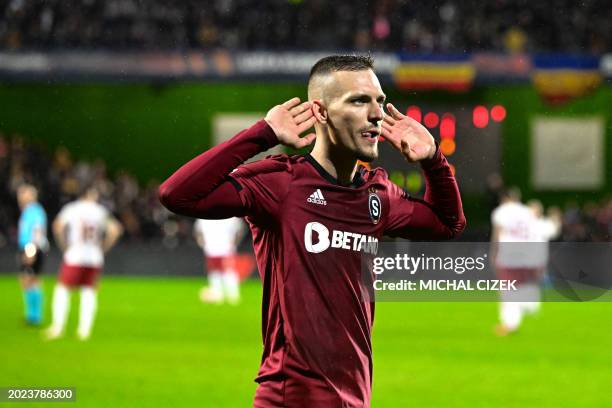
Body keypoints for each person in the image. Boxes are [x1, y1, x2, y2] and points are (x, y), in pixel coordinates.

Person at [159, 55, 465, 407]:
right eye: (358, 100)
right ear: (320, 112)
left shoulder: (378, 194)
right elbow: (177, 195)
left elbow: (448, 223)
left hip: (356, 398)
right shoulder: (282, 184)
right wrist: (261, 135)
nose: (377, 114)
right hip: (292, 398)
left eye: (379, 101)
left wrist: (433, 160)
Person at [44, 186, 123, 341]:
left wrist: (64, 246)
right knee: (88, 292)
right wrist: (103, 248)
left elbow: (57, 226)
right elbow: (115, 229)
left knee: (62, 290)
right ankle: (84, 331)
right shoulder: (100, 210)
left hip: (75, 254)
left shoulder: (72, 209)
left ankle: (58, 327)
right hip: (94, 257)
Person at [491, 190, 558, 336]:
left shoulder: (503, 212)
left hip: (510, 256)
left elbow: (498, 233)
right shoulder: (528, 213)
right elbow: (549, 229)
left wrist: (494, 253)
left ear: (504, 199)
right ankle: (528, 307)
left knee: (509, 291)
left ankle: (510, 323)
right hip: (529, 259)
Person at [16, 184, 48, 325]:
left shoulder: (34, 211)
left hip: (32, 248)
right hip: (32, 247)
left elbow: (36, 232)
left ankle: (34, 315)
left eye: (24, 194)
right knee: (31, 279)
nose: (20, 197)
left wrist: (30, 251)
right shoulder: (29, 210)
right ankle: (34, 315)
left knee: (29, 279)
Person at [193, 217, 245, 304]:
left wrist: (235, 242)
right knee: (215, 272)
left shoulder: (230, 217)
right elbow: (198, 231)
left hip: (226, 249)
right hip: (211, 249)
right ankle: (217, 294)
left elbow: (240, 229)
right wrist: (201, 241)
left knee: (228, 271)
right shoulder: (204, 218)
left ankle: (233, 295)